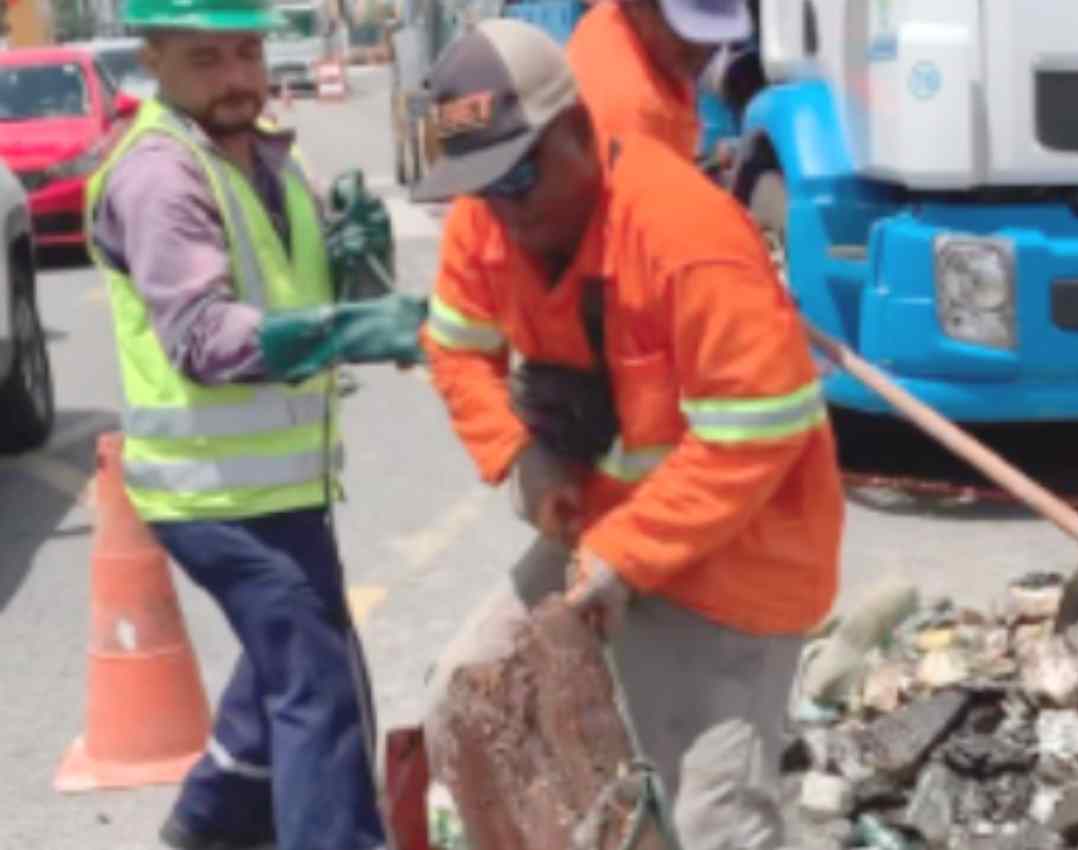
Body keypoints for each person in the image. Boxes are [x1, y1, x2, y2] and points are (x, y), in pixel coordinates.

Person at [417, 20, 843, 850]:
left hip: (741, 558)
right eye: (483, 186)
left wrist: (628, 552)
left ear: (579, 130)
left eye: (522, 175)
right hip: (610, 531)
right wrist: (520, 457)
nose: (506, 208)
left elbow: (760, 431)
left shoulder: (686, 238)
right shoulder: (490, 221)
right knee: (464, 705)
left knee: (713, 823)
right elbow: (455, 349)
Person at [86, 0, 424, 847]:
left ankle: (212, 817)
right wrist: (349, 331)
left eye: (246, 52)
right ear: (155, 60)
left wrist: (347, 265)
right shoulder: (162, 176)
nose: (235, 77)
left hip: (269, 483)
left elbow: (287, 292)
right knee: (320, 685)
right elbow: (203, 337)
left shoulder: (259, 151)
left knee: (288, 658)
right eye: (206, 59)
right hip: (217, 496)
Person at [565, 0, 751, 160]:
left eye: (715, 42)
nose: (704, 52)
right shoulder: (634, 111)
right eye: (688, 36)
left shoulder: (618, 23)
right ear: (638, 6)